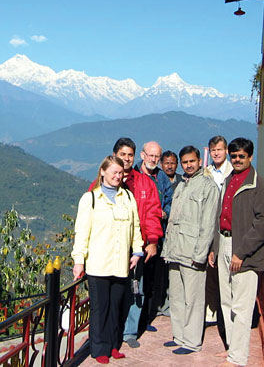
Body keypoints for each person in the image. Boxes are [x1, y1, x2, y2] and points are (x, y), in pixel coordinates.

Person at [89, 138, 163, 349]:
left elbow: (152, 213)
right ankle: (109, 333)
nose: (127, 158)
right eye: (123, 154)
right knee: (112, 292)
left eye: (130, 154)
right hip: (108, 248)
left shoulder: (144, 183)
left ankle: (129, 331)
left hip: (136, 246)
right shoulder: (101, 185)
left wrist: (153, 241)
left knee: (135, 288)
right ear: (114, 156)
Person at [208, 138, 264, 367]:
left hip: (244, 252)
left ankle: (238, 358)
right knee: (226, 302)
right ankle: (231, 349)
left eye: (241, 156)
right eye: (234, 156)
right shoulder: (229, 180)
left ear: (250, 157)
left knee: (241, 306)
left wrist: (241, 252)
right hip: (225, 244)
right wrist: (216, 248)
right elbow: (221, 215)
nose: (237, 159)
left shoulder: (259, 187)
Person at [72, 155, 144, 364]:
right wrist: (79, 260)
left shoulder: (127, 198)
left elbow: (135, 228)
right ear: (102, 172)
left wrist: (137, 251)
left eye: (120, 173)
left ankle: (113, 345)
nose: (117, 176)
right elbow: (82, 232)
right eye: (113, 172)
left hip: (120, 264)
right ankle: (99, 348)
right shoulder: (91, 199)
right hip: (98, 264)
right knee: (99, 308)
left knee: (116, 306)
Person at [161, 146, 219, 354]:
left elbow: (209, 223)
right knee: (176, 297)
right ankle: (179, 336)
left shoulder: (208, 187)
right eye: (185, 162)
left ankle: (192, 341)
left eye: (192, 161)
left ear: (199, 161)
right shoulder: (181, 186)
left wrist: (200, 254)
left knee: (193, 299)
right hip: (175, 251)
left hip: (192, 253)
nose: (188, 165)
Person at [134, 141, 173, 322]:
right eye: (151, 155)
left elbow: (169, 201)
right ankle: (136, 319)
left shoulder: (162, 177)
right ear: (142, 155)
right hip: (137, 237)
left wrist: (164, 212)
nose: (154, 159)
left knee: (152, 278)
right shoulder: (133, 176)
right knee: (136, 280)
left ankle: (148, 315)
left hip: (157, 235)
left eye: (157, 156)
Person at [204, 136, 234, 324]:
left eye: (220, 150)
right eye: (213, 150)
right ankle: (211, 312)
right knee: (210, 272)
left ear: (227, 151)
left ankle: (227, 315)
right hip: (209, 227)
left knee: (227, 275)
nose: (216, 153)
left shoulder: (233, 171)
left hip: (226, 229)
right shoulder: (205, 173)